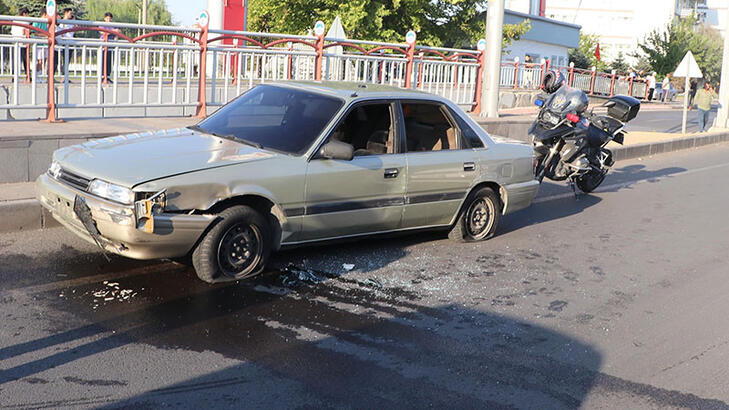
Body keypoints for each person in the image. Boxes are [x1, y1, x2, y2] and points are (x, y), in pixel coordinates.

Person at [99, 12, 119, 83]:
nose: (109, 20)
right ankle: (102, 76)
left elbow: (118, 32)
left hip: (110, 45)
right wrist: (113, 31)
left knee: (109, 61)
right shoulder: (102, 25)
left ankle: (108, 76)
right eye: (107, 18)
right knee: (103, 61)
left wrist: (113, 32)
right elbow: (102, 32)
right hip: (103, 46)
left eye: (110, 18)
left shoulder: (113, 25)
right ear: (104, 19)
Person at [11, 8, 30, 79]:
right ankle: (27, 75)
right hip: (23, 43)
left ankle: (14, 76)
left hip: (15, 42)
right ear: (24, 14)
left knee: (16, 60)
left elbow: (12, 31)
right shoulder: (25, 21)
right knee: (25, 60)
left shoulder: (15, 20)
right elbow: (24, 31)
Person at [58, 8, 75, 76]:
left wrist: (74, 20)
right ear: (65, 13)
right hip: (64, 43)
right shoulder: (62, 22)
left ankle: (65, 76)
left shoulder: (71, 22)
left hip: (70, 43)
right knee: (65, 60)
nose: (71, 15)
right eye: (70, 13)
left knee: (67, 61)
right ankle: (63, 76)